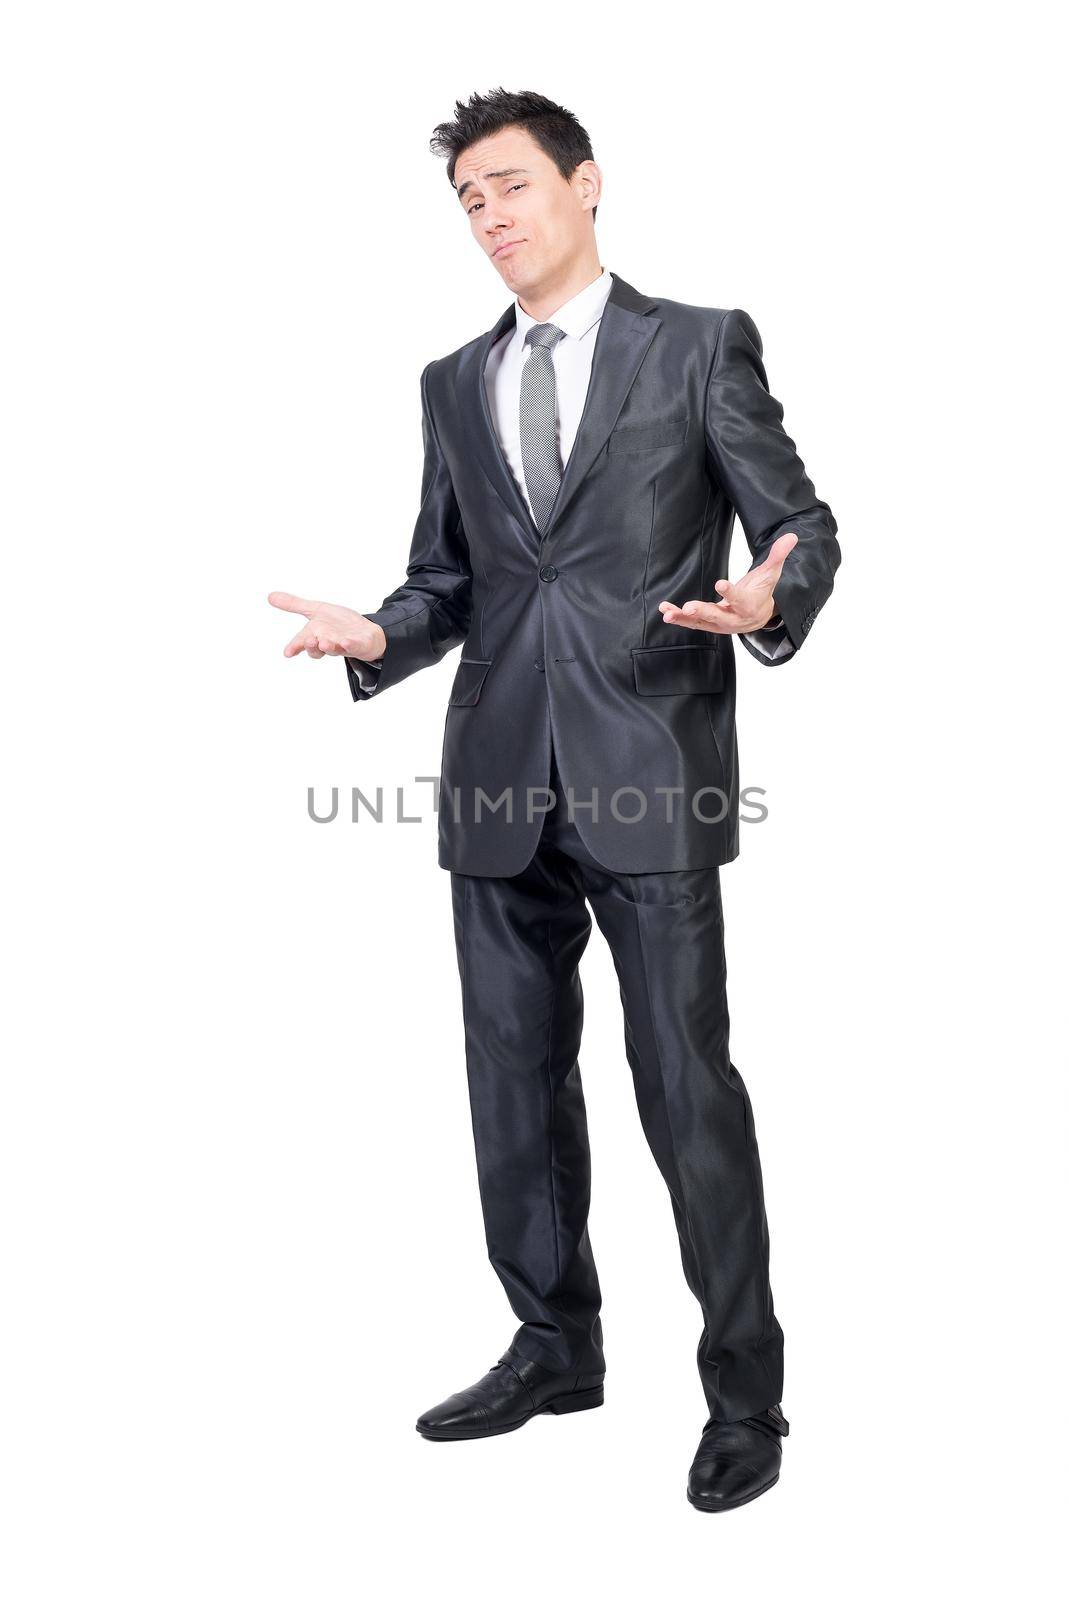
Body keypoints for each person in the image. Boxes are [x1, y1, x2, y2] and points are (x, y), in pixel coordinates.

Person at [269, 87, 841, 1512]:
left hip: (648, 768)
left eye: (512, 186)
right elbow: (452, 577)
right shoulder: (453, 381)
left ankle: (746, 1400)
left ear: (586, 185)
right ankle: (554, 1345)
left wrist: (775, 590)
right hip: (494, 784)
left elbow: (800, 521)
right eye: (469, 200)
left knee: (683, 1090)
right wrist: (384, 634)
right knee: (511, 1094)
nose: (492, 218)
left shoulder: (698, 346)